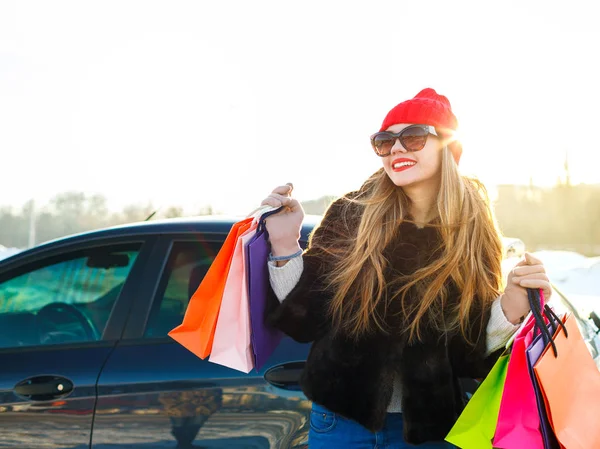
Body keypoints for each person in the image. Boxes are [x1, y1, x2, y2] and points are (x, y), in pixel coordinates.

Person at [260, 88, 552, 448]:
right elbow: (303, 321)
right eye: (385, 141)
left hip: (431, 429)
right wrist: (285, 245)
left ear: (448, 147)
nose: (397, 148)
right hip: (342, 422)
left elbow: (469, 351)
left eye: (413, 137)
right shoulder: (351, 215)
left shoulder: (472, 229)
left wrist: (510, 306)